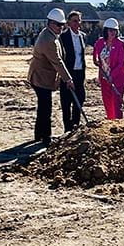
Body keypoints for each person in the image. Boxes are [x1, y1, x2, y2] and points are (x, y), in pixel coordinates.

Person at [27, 8, 75, 146]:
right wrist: (68, 79)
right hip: (40, 77)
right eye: (59, 25)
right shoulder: (48, 39)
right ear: (50, 23)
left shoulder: (51, 34)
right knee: (45, 107)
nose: (61, 28)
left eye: (62, 25)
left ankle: (39, 135)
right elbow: (57, 61)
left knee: (43, 106)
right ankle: (46, 137)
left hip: (42, 76)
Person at [92, 18, 124, 119]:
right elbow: (95, 52)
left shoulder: (121, 44)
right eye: (110, 30)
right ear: (106, 31)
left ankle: (118, 123)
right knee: (107, 101)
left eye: (114, 30)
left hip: (118, 78)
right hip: (104, 78)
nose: (112, 32)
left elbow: (121, 63)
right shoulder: (100, 42)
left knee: (117, 103)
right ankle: (110, 121)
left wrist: (111, 76)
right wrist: (95, 60)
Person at [58, 10, 87, 132]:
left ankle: (75, 125)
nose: (77, 23)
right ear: (68, 22)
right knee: (66, 102)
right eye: (75, 21)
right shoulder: (62, 37)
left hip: (79, 72)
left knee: (79, 99)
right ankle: (67, 128)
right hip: (67, 73)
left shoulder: (82, 36)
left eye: (79, 20)